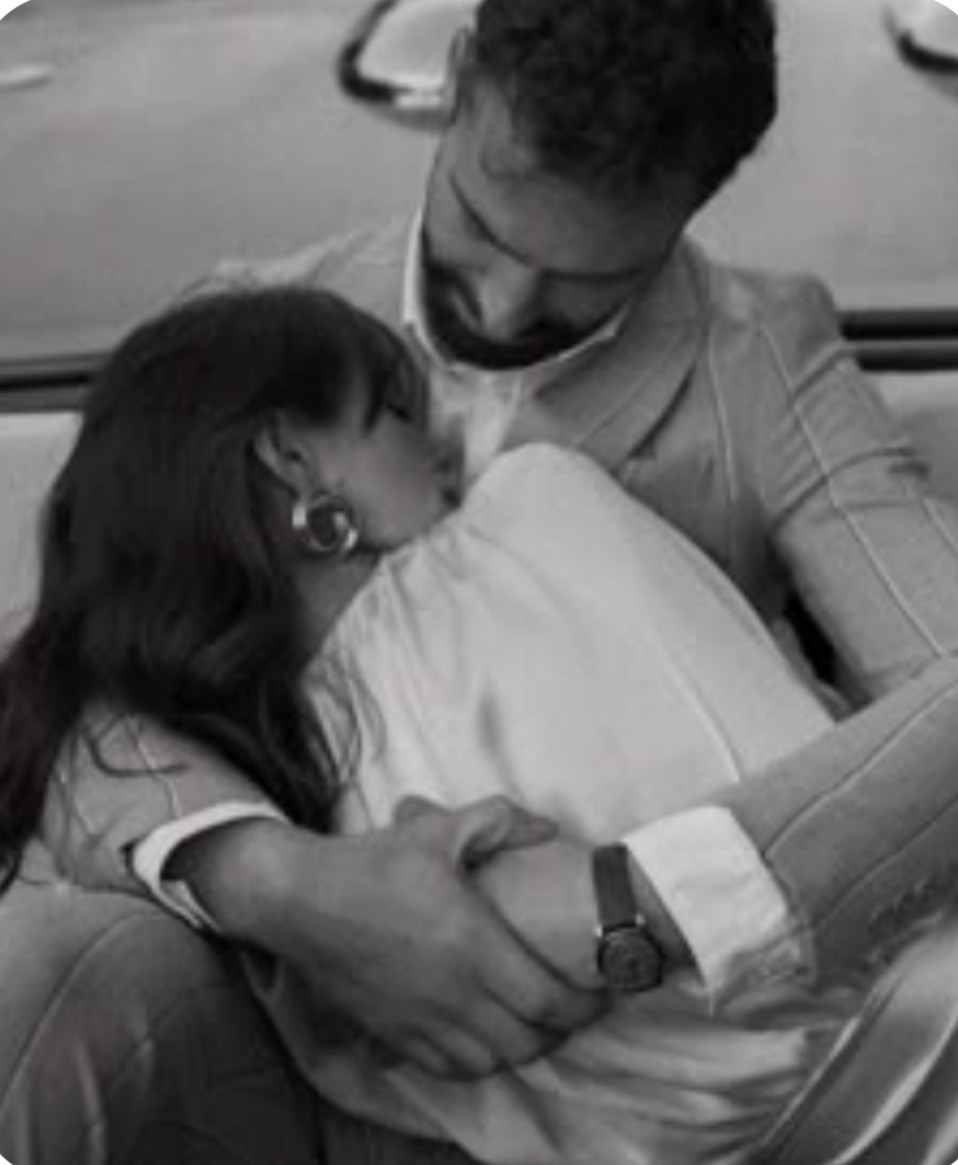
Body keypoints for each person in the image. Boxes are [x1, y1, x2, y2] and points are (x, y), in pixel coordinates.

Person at [8, 0, 958, 1160]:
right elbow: (75, 675)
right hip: (297, 1042)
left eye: (586, 278)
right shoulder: (245, 333)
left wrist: (628, 902)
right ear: (459, 80)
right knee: (34, 976)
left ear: (697, 200)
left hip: (690, 1055)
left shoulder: (761, 362)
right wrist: (292, 886)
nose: (503, 306)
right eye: (480, 223)